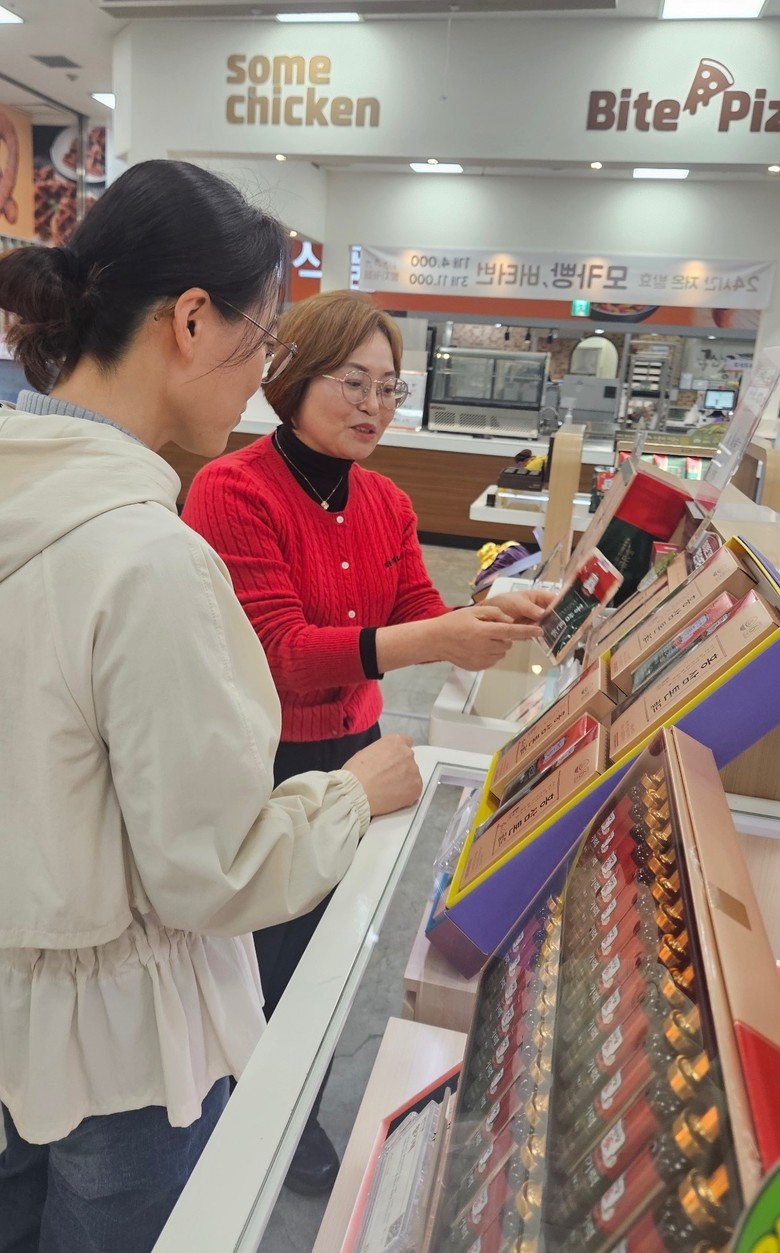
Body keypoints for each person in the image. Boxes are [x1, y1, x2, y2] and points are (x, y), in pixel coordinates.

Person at [0, 163, 423, 1253]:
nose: (260, 377)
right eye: (262, 335)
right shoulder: (150, 558)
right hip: (118, 1054)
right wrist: (350, 793)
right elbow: (212, 869)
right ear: (192, 320)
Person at [183, 289, 555, 1193]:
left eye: (390, 387)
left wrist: (487, 614)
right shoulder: (233, 489)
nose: (375, 406)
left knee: (327, 950)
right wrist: (437, 637)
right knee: (251, 957)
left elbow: (416, 610)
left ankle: (290, 1104)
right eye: (354, 382)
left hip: (360, 748)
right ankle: (234, 1125)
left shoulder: (386, 499)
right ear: (294, 375)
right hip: (263, 761)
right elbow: (282, 652)